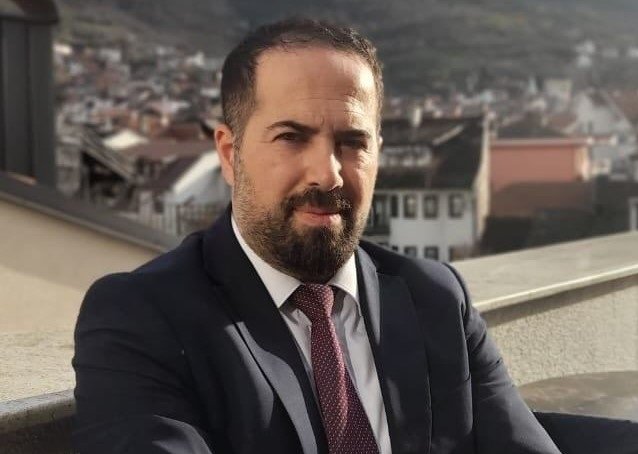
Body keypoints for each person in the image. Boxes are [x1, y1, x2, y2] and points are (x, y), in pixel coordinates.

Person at [72, 18, 560, 454]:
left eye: (352, 142)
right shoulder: (143, 316)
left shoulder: (436, 299)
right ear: (229, 153)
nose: (327, 174)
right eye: (291, 137)